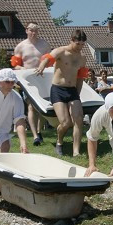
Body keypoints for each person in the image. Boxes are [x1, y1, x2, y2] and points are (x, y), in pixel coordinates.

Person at [36, 28, 90, 156]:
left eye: (83, 44)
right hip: (58, 90)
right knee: (66, 123)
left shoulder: (82, 58)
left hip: (72, 91)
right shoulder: (61, 51)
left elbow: (80, 78)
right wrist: (42, 66)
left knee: (78, 119)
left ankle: (75, 151)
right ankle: (59, 141)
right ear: (71, 40)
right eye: (78, 44)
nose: (80, 47)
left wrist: (77, 95)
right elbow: (48, 58)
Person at [13, 22, 52, 145]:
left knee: (41, 107)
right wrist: (22, 69)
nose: (33, 32)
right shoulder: (20, 47)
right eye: (31, 30)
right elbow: (15, 65)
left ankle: (39, 131)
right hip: (28, 80)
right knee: (31, 107)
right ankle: (35, 135)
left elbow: (50, 62)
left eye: (36, 30)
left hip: (42, 78)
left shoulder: (44, 45)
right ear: (27, 31)